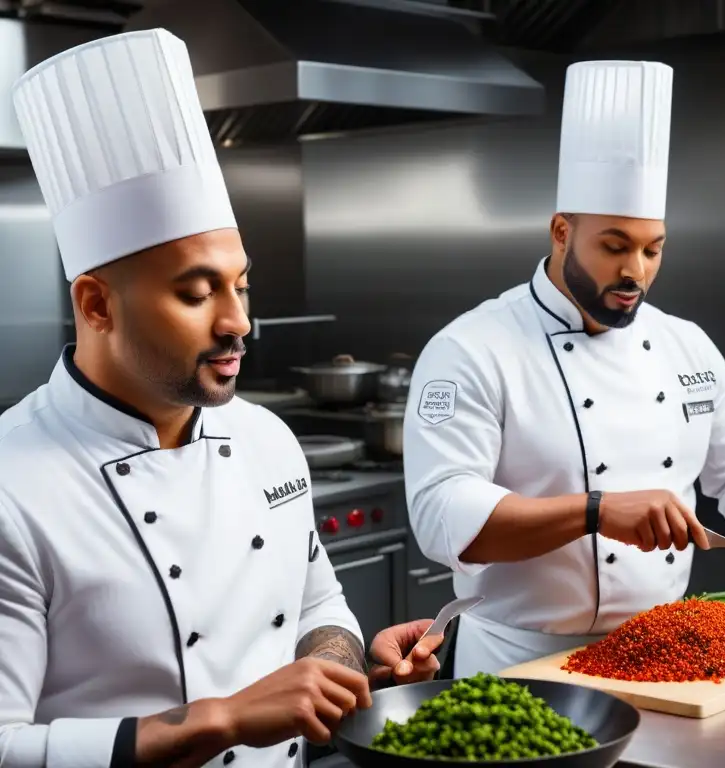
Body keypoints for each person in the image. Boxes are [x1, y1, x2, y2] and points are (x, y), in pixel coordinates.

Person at [0, 30, 441, 768]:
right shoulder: (14, 485)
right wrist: (217, 721)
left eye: (240, 285)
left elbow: (316, 607)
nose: (237, 320)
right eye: (197, 292)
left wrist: (343, 669)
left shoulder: (265, 437)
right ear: (96, 303)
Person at [402, 60, 725, 677]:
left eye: (653, 249)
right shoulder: (471, 348)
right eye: (615, 246)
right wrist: (596, 510)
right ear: (561, 231)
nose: (637, 272)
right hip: (521, 664)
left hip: (667, 653)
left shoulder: (687, 346)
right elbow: (443, 517)